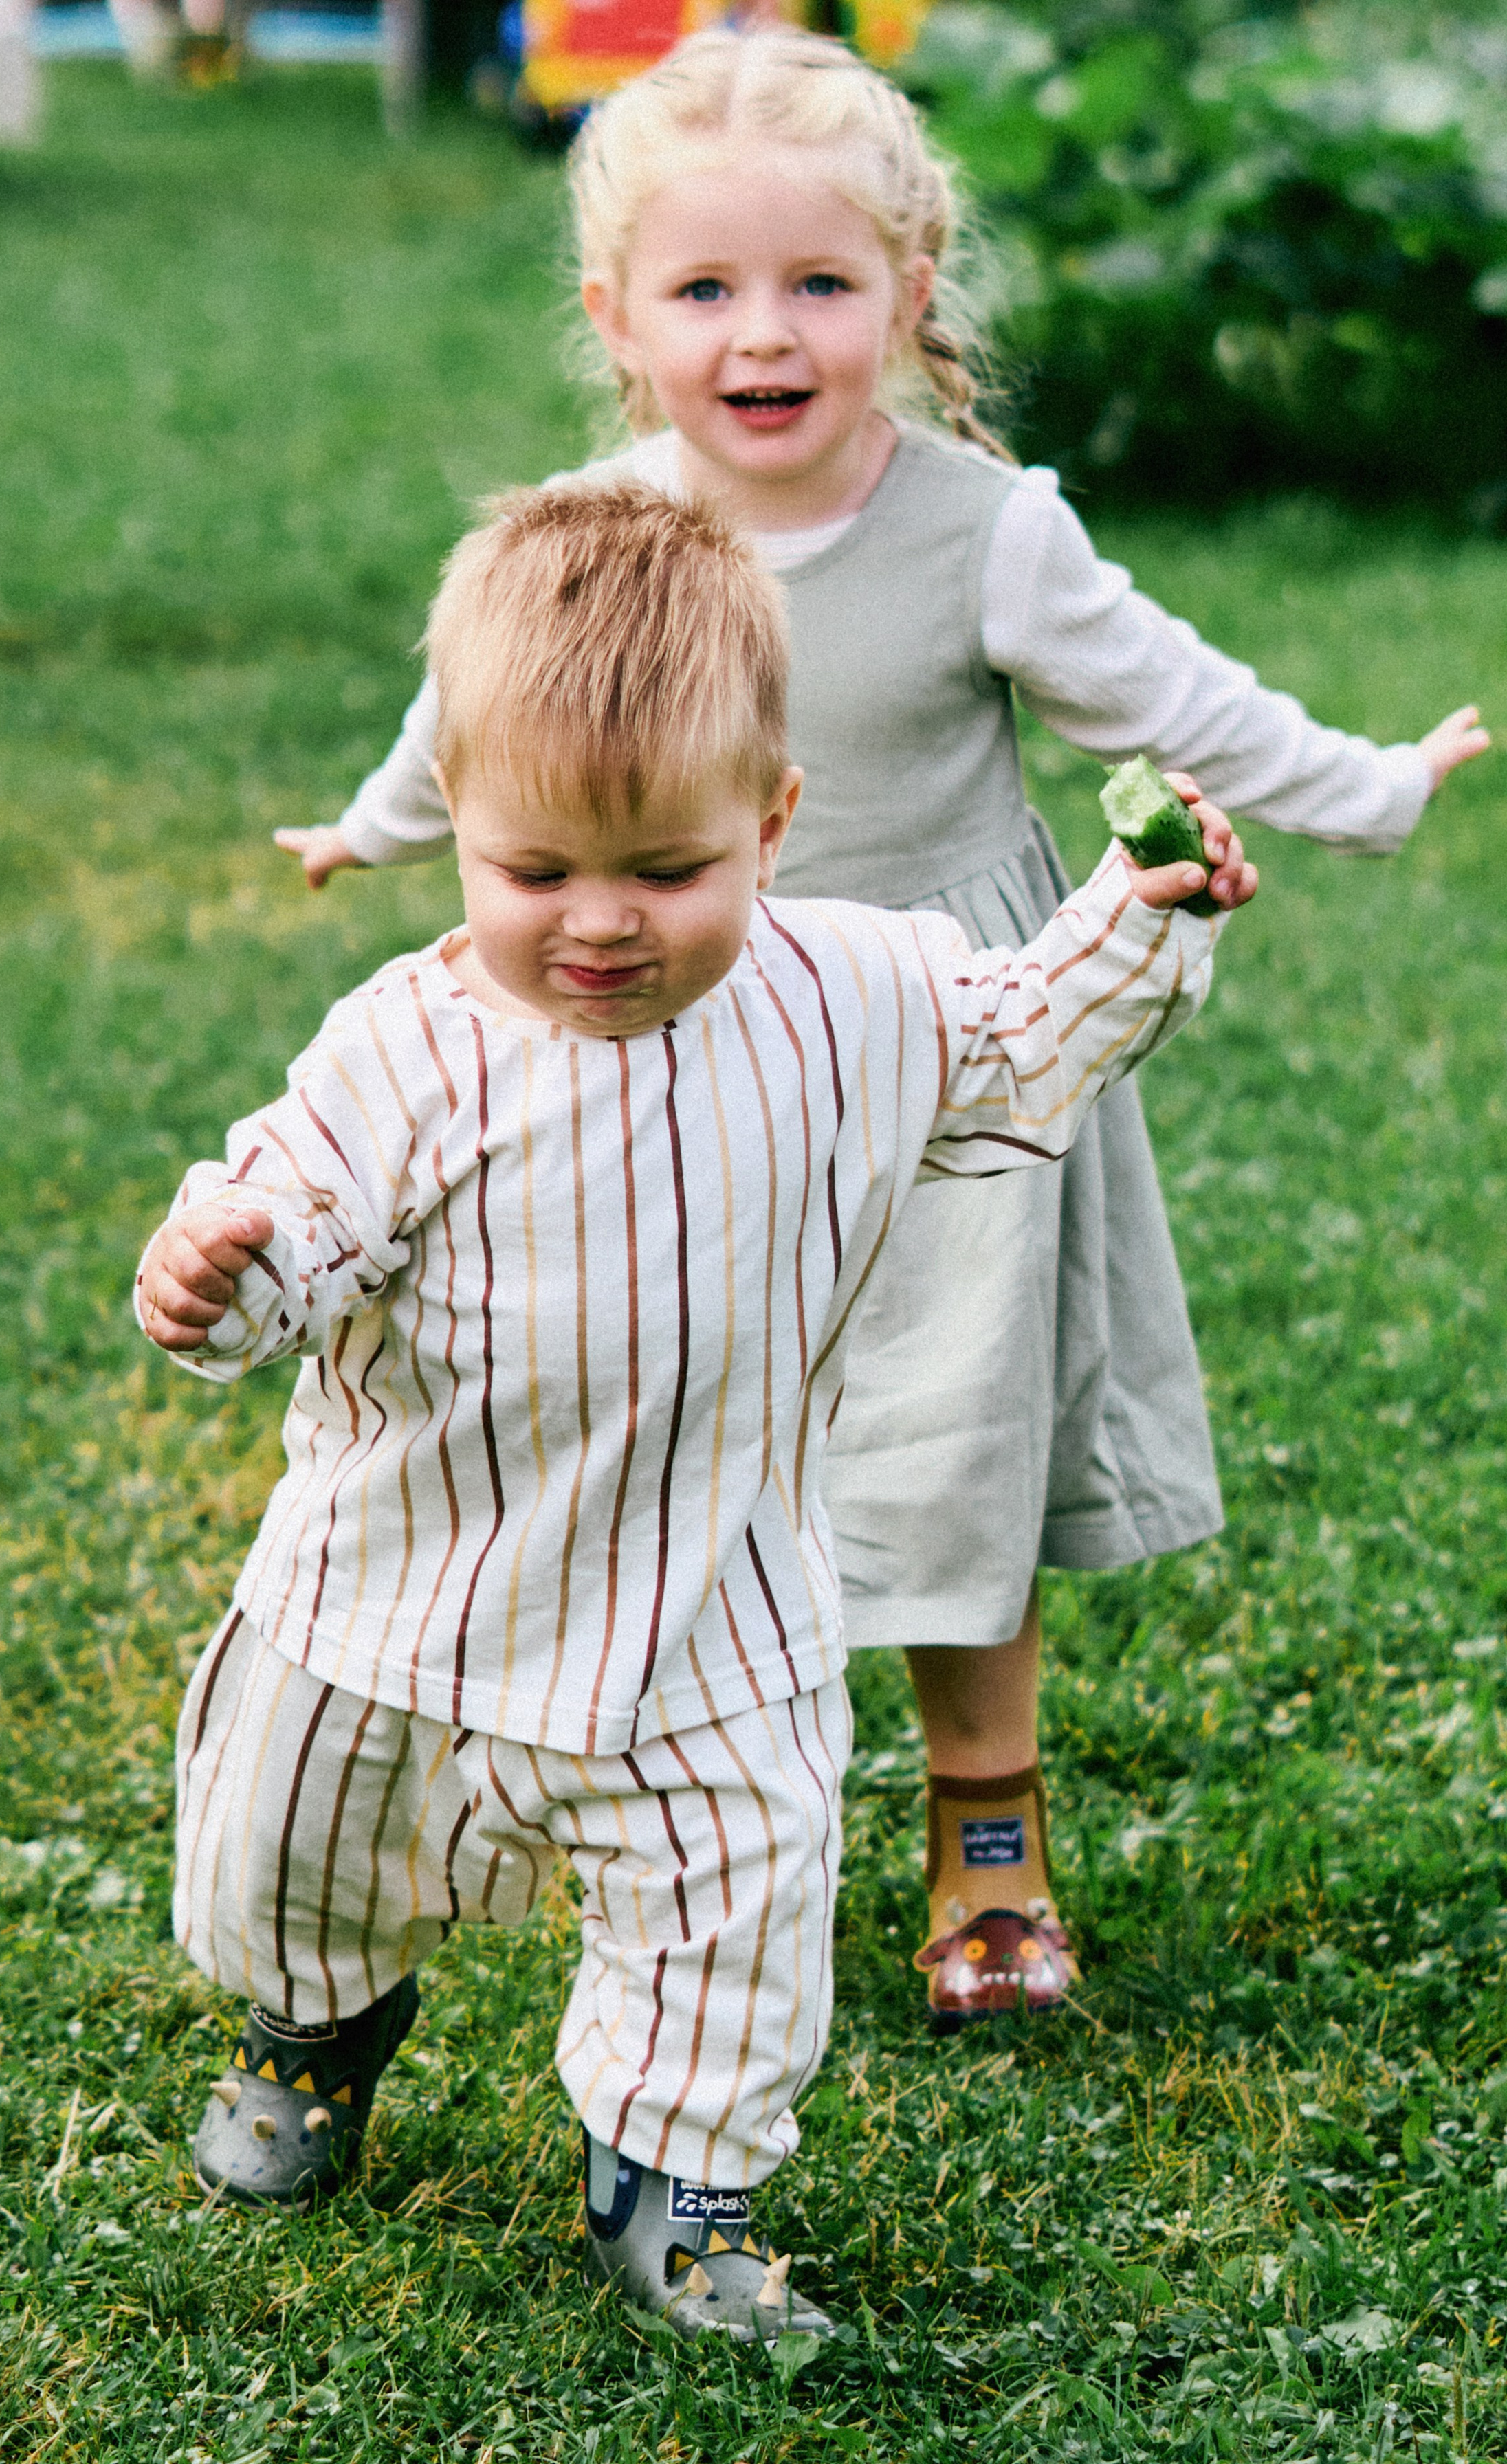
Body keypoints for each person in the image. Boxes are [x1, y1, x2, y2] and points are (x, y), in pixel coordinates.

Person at [270, 27, 1473, 2030]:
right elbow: (478, 714)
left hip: (937, 1059)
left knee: (944, 1442)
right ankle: (657, 1800)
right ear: (619, 319)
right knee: (653, 1429)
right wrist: (380, 822)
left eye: (822, 285)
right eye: (710, 290)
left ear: (910, 299)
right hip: (658, 1061)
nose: (769, 332)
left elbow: (1184, 703)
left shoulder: (983, 531)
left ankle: (986, 1828)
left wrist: (1374, 781)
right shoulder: (599, 524)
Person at [138, 483, 1253, 2338]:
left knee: (734, 1888)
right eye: (532, 871)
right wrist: (225, 1270)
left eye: (667, 870)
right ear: (464, 842)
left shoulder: (850, 1000)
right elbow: (297, 1216)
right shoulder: (405, 1051)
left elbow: (1017, 1037)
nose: (599, 924)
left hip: (704, 1602)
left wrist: (1135, 914)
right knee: (292, 1842)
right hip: (403, 1592)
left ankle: (676, 2174)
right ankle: (314, 2023)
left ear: (774, 819)